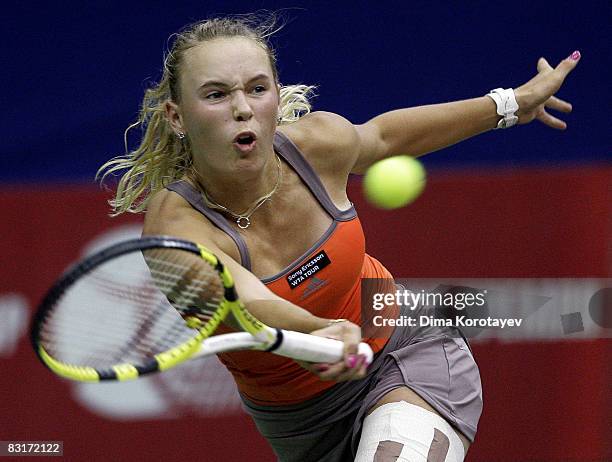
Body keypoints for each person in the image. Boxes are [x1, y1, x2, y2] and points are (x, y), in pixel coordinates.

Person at [97, 14, 580, 462]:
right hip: (301, 425)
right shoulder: (173, 231)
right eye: (217, 94)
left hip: (405, 348)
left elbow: (387, 138)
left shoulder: (315, 145)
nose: (243, 108)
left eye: (257, 89)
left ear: (275, 95)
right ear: (177, 117)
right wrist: (314, 330)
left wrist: (511, 104)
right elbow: (243, 299)